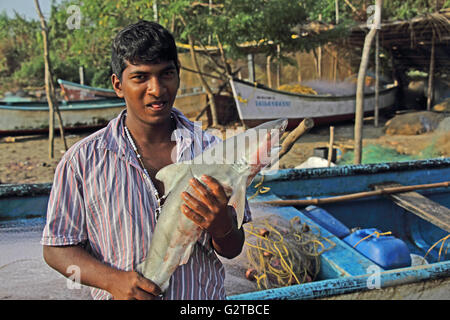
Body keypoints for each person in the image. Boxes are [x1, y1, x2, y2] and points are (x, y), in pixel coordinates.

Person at [41, 20, 251, 300]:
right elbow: (57, 247)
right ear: (118, 85)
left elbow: (233, 248)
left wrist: (222, 226)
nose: (156, 89)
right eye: (141, 77)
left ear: (178, 76)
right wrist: (113, 281)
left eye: (166, 74)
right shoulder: (82, 161)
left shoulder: (214, 151)